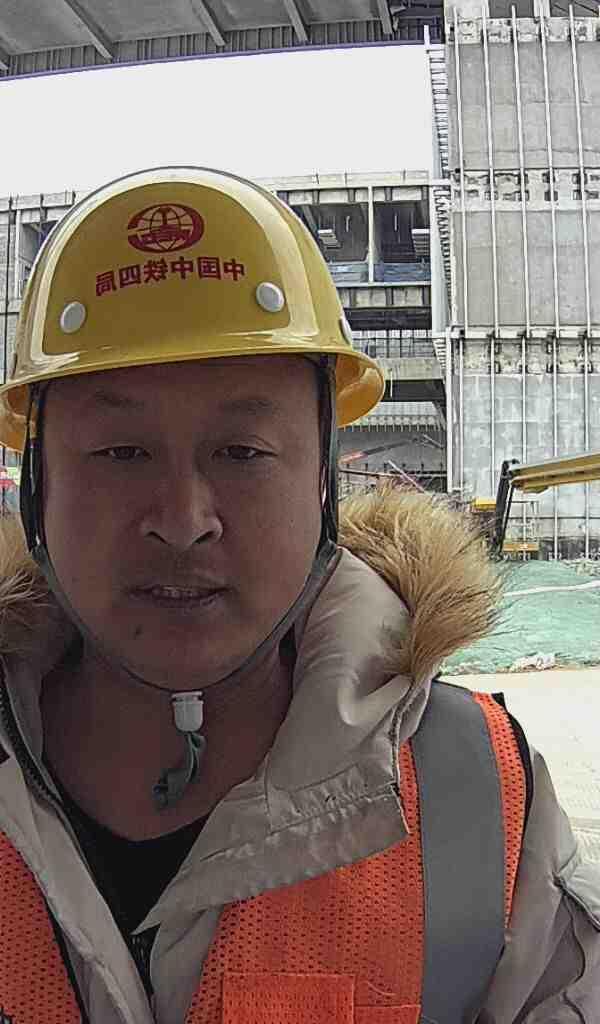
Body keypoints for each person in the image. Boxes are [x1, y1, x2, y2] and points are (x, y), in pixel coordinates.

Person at [0, 166, 597, 1024]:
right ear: (37, 486)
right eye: (120, 453)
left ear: (324, 478)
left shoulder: (474, 794)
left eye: (242, 452)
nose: (184, 522)